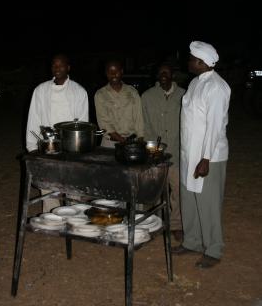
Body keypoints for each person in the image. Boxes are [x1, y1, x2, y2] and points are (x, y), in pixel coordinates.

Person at [172, 41, 231, 269]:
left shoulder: (216, 87)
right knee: (190, 200)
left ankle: (214, 249)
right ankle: (193, 241)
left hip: (209, 156)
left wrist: (205, 158)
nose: (188, 61)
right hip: (190, 153)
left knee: (208, 204)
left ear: (200, 62)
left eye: (191, 58)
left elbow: (215, 126)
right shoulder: (196, 83)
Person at [26, 53, 89, 212]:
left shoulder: (79, 91)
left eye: (61, 65)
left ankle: (76, 215)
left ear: (68, 68)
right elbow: (34, 118)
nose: (57, 68)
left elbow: (82, 122)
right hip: (49, 146)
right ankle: (51, 216)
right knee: (49, 185)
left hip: (71, 147)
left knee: (73, 185)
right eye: (54, 65)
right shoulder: (40, 90)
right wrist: (32, 147)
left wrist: (79, 148)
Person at [141, 62, 185, 242]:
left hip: (177, 150)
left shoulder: (184, 95)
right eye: (160, 72)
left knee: (178, 191)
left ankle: (176, 225)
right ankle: (149, 223)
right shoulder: (147, 96)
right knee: (151, 192)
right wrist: (150, 150)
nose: (164, 75)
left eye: (167, 72)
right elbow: (144, 124)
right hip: (154, 154)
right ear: (157, 75)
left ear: (173, 74)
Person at [94, 59, 144, 147]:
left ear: (121, 72)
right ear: (106, 73)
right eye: (110, 72)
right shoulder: (100, 94)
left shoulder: (132, 92)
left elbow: (139, 118)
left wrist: (140, 140)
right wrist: (123, 141)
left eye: (116, 71)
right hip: (110, 144)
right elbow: (104, 123)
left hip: (132, 143)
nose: (113, 74)